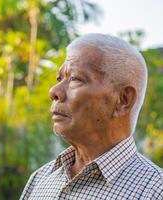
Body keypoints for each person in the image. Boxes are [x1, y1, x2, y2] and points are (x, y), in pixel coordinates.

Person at [20, 33, 163, 199]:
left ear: (123, 100)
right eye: (60, 79)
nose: (54, 91)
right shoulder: (40, 180)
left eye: (75, 79)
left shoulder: (155, 191)